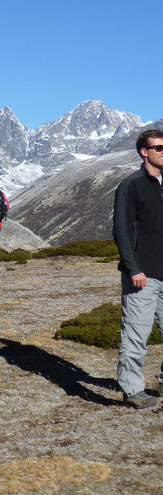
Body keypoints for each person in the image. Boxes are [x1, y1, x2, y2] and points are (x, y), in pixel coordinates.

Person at [113, 129, 163, 409]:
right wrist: (133, 268)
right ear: (144, 152)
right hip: (142, 274)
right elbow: (121, 229)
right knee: (136, 333)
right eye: (159, 148)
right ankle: (132, 389)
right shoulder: (131, 185)